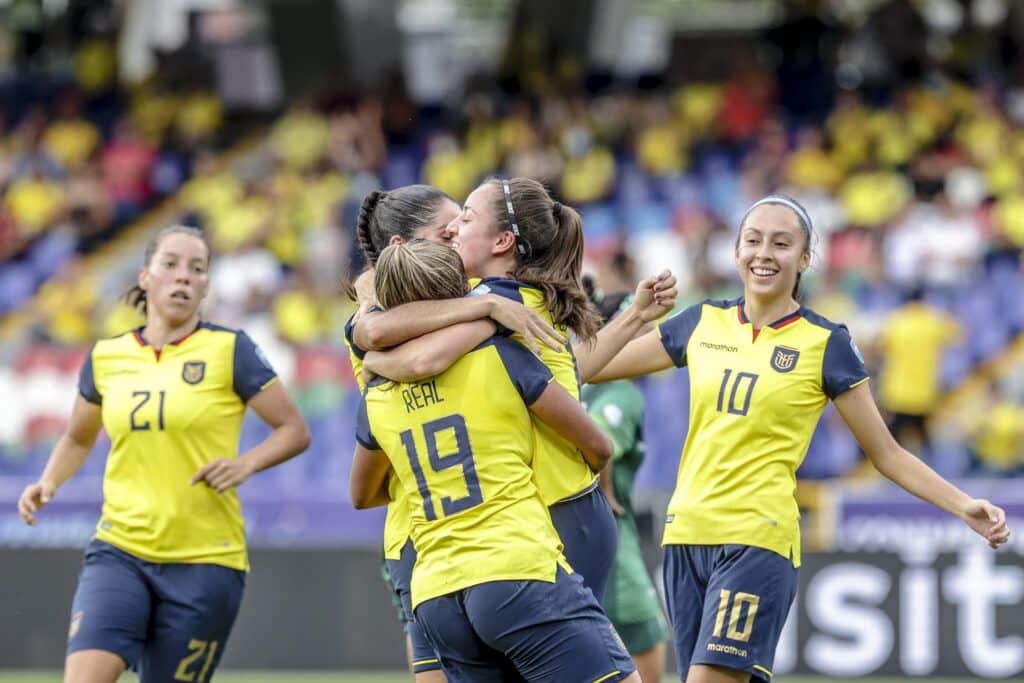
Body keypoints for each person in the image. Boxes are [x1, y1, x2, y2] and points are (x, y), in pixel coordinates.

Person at [588, 194, 1011, 683]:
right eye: (753, 240)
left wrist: (963, 506)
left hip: (757, 539)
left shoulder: (825, 343)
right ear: (736, 251)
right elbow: (588, 368)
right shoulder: (702, 322)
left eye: (781, 243)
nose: (764, 253)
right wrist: (636, 316)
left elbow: (886, 453)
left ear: (805, 258)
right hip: (684, 537)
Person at [352, 177, 677, 604]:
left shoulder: (497, 303)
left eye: (465, 219)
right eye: (447, 226)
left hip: (549, 511)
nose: (454, 233)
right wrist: (633, 318)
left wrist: (374, 363)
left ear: (503, 240)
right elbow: (568, 372)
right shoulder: (505, 300)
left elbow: (418, 360)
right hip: (558, 510)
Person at [17, 225, 311, 683]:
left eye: (197, 269)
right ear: (145, 277)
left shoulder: (231, 350)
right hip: (120, 551)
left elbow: (294, 430)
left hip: (205, 563)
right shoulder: (107, 357)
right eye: (170, 264)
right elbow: (77, 437)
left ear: (206, 286)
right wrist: (48, 482)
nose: (184, 277)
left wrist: (244, 464)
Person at [350, 240, 639, 682]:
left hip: (435, 598)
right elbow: (598, 446)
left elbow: (363, 495)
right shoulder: (503, 356)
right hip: (515, 568)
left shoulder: (375, 392)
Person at [346, 184, 563, 682]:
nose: (459, 241)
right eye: (447, 234)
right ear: (402, 248)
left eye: (463, 226)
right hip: (428, 534)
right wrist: (484, 308)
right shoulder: (383, 320)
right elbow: (382, 339)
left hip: (487, 535)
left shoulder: (466, 298)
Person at [583, 280, 670, 683]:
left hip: (563, 540)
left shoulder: (574, 382)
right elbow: (598, 438)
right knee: (648, 648)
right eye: (645, 326)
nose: (656, 337)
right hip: (612, 550)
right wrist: (606, 489)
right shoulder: (621, 392)